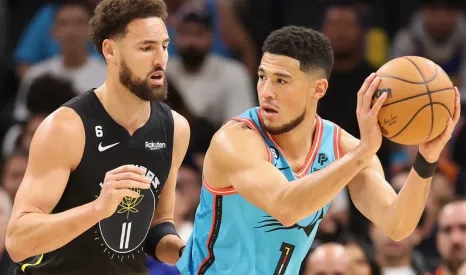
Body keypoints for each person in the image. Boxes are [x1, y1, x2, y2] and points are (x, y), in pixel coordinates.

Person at [176, 26, 462, 275]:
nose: (266, 91)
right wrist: (363, 153)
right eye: (263, 76)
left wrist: (427, 158)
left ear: (319, 89)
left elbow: (397, 225)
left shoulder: (342, 147)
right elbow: (286, 208)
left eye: (281, 80)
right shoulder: (235, 139)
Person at [5, 0, 190, 274]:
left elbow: (157, 227)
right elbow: (18, 241)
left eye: (164, 45)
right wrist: (97, 209)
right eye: (146, 47)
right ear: (110, 50)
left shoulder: (175, 128)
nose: (160, 59)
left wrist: (188, 253)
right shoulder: (66, 127)